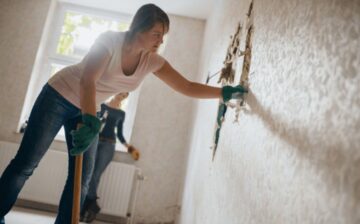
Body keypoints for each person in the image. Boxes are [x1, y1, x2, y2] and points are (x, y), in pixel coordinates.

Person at [0, 3, 247, 224]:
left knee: (82, 180)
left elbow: (186, 86)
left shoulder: (152, 61)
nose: (161, 41)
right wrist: (89, 119)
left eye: (163, 36)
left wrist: (223, 92)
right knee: (26, 164)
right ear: (139, 28)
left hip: (88, 108)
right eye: (157, 34)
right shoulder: (109, 41)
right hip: (59, 96)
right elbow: (88, 80)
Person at [80, 92, 139, 223]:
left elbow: (120, 135)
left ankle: (85, 207)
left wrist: (130, 148)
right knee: (87, 172)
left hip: (109, 145)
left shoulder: (121, 114)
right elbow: (94, 124)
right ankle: (91, 205)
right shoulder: (102, 105)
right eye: (121, 93)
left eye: (124, 96)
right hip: (95, 140)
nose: (121, 96)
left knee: (95, 174)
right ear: (116, 91)